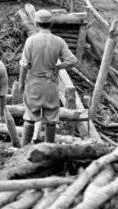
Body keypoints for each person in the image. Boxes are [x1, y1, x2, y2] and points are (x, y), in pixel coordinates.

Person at [19, 10, 76, 145]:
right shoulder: (58, 41)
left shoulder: (31, 41)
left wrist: (21, 83)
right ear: (51, 24)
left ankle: (23, 149)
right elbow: (72, 60)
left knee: (30, 117)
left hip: (34, 84)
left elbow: (24, 65)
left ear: (36, 23)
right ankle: (49, 148)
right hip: (50, 84)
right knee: (51, 120)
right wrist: (58, 67)